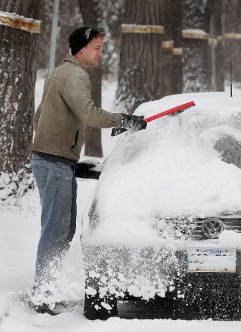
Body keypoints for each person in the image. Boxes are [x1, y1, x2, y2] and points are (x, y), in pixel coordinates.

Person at [30, 26, 146, 314]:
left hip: (55, 160)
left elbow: (39, 116)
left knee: (62, 230)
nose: (101, 53)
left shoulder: (59, 72)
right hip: (54, 163)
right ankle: (42, 297)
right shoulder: (76, 76)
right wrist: (125, 120)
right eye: (97, 48)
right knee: (56, 232)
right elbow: (89, 114)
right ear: (81, 49)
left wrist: (65, 150)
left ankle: (45, 293)